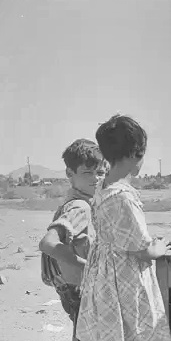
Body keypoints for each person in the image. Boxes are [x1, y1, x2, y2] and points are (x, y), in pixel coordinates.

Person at [75, 115, 171, 341]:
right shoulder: (122, 197)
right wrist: (159, 247)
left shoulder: (106, 187)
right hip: (123, 281)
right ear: (135, 155)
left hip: (111, 279)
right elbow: (142, 248)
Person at [40, 138, 107, 322]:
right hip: (81, 291)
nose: (95, 179)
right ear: (70, 173)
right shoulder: (79, 207)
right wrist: (88, 267)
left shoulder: (84, 203)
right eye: (87, 172)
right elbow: (47, 243)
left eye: (100, 172)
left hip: (77, 291)